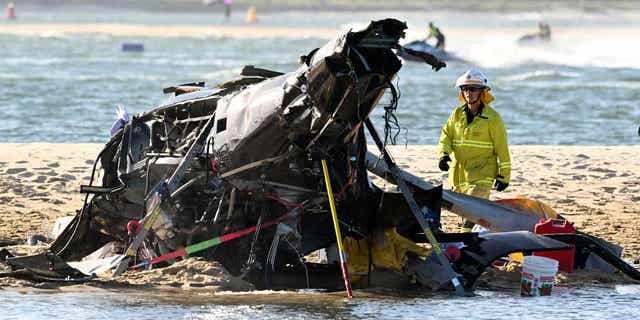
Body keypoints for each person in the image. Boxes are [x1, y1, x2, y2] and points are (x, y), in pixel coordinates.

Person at [438, 68, 511, 232]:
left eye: (472, 89)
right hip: (460, 174)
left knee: (472, 214)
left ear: (482, 92)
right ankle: (469, 238)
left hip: (483, 174)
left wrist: (504, 176)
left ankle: (463, 241)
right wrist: (443, 155)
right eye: (464, 89)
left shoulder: (493, 118)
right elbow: (446, 136)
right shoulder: (456, 115)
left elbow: (502, 149)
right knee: (467, 212)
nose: (468, 93)